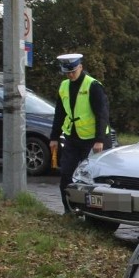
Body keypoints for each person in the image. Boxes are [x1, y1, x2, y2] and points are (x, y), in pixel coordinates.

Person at [49, 53, 110, 214]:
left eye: (73, 71)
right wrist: (54, 137)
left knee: (90, 178)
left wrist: (99, 140)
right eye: (67, 72)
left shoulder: (93, 86)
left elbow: (102, 114)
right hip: (73, 138)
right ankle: (69, 210)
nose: (70, 75)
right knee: (66, 174)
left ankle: (91, 213)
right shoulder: (63, 86)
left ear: (80, 67)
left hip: (93, 141)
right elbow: (59, 114)